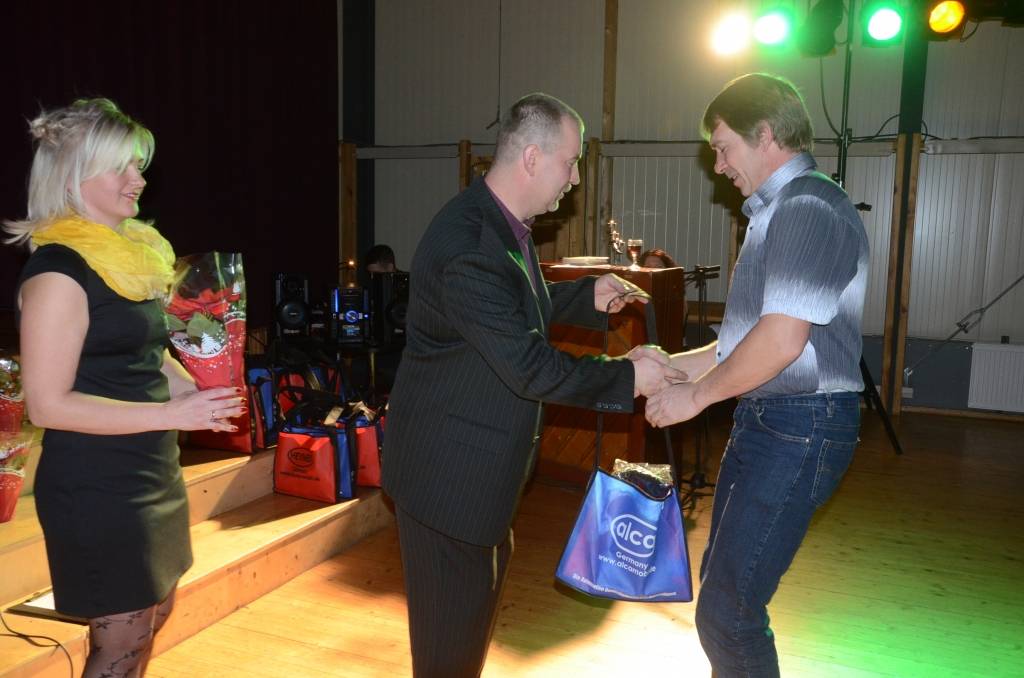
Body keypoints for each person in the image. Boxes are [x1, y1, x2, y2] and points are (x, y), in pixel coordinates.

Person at [381, 92, 682, 678]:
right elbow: (529, 367)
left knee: (465, 637)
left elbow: (508, 306)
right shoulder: (470, 245)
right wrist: (629, 376)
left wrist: (586, 295)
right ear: (532, 158)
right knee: (446, 654)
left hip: (476, 478)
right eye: (571, 162)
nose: (575, 179)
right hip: (447, 484)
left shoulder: (496, 224)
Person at [3, 98, 245, 678]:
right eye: (123, 166)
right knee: (120, 647)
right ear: (74, 174)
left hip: (149, 466)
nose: (139, 178)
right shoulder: (59, 272)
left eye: (139, 164)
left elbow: (147, 349)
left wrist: (194, 393)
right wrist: (173, 415)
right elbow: (48, 405)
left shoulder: (131, 255)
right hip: (98, 484)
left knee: (151, 619)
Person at [641, 73, 869, 677]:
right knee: (723, 598)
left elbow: (781, 343)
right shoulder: (779, 211)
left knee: (730, 613)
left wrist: (695, 398)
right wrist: (665, 366)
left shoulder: (808, 206)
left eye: (722, 148)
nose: (717, 166)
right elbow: (741, 345)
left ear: (764, 134)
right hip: (775, 422)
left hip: (800, 425)